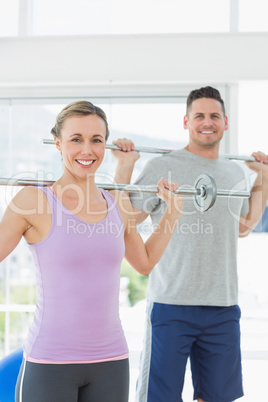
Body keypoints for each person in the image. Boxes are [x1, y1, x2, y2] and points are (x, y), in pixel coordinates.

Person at [0, 101, 184, 402]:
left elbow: (145, 263)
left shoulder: (117, 202)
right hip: (49, 361)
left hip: (110, 361)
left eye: (96, 140)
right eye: (76, 139)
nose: (87, 150)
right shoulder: (32, 200)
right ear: (58, 143)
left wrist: (172, 214)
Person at [112, 86, 268, 402]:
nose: (206, 122)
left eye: (213, 116)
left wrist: (263, 177)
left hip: (223, 306)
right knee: (160, 397)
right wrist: (125, 166)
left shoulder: (234, 171)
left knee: (218, 398)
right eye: (199, 116)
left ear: (225, 122)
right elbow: (127, 219)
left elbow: (243, 227)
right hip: (171, 303)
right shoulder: (162, 166)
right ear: (186, 122)